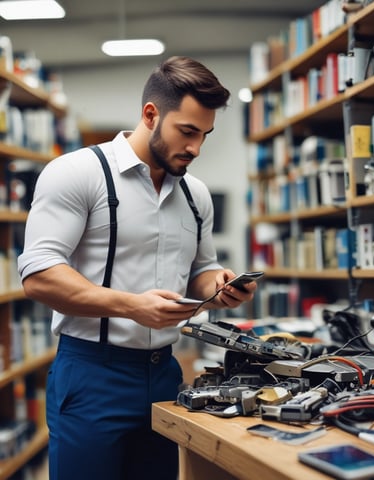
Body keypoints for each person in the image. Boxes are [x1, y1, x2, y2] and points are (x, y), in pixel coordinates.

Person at [18, 56, 258, 480]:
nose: (196, 149)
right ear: (151, 114)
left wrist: (219, 287)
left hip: (164, 375)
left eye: (205, 135)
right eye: (187, 131)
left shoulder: (195, 194)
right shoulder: (76, 173)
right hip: (91, 373)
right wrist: (131, 306)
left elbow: (202, 269)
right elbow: (38, 274)